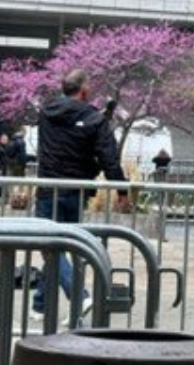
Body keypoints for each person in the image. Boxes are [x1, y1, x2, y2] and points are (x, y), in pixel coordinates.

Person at [33, 69, 130, 323]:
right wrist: (121, 189)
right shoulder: (94, 119)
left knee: (52, 247)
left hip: (48, 188)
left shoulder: (46, 113)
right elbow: (108, 158)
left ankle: (41, 303)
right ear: (84, 90)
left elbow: (58, 144)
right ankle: (78, 297)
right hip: (75, 190)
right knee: (61, 247)